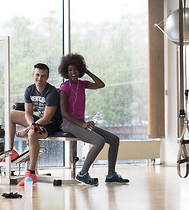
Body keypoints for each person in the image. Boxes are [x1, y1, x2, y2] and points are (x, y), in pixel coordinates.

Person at [58, 53, 129, 186]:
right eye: (70, 70)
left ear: (80, 69)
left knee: (114, 140)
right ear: (65, 72)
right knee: (99, 141)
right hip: (67, 124)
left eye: (76, 69)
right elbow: (64, 113)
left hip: (80, 123)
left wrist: (87, 72)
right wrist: (82, 124)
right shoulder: (64, 87)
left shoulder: (82, 84)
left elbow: (101, 84)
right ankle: (83, 174)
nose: (73, 72)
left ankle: (111, 175)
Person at [8, 63, 62, 186]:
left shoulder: (52, 92)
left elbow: (47, 119)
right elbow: (28, 113)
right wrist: (31, 124)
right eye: (37, 75)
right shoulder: (29, 90)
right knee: (10, 114)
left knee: (32, 133)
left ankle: (31, 173)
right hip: (38, 121)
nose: (39, 78)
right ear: (33, 75)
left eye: (43, 76)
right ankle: (11, 152)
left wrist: (27, 130)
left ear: (47, 78)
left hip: (51, 124)